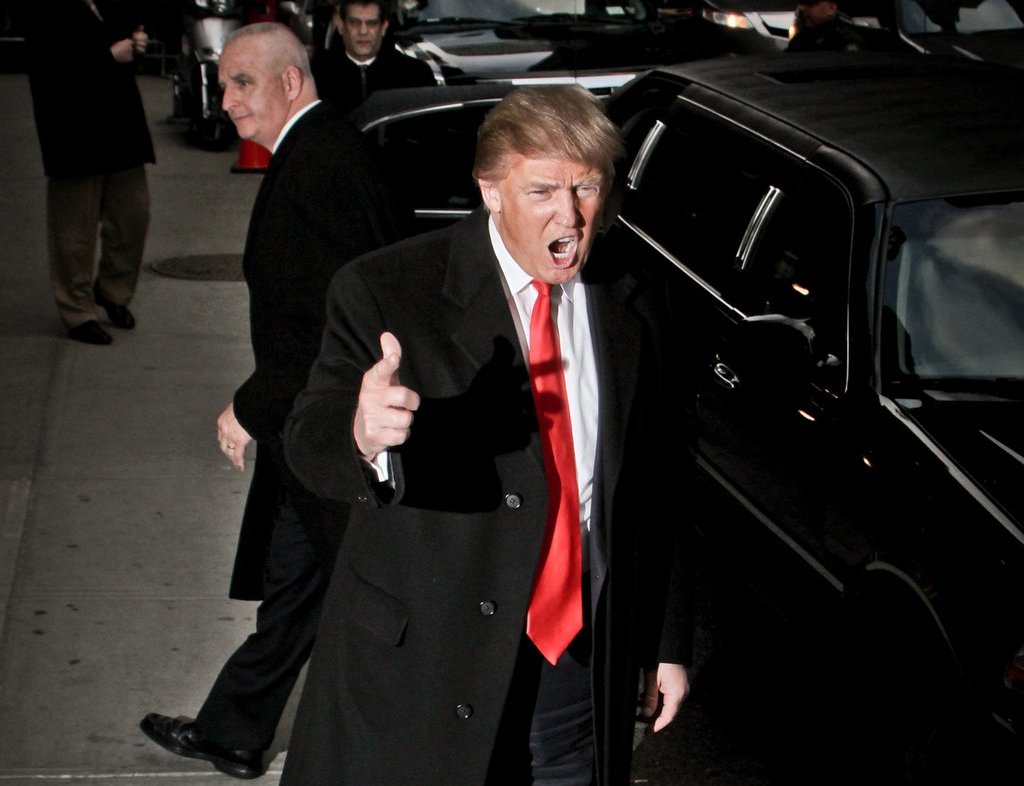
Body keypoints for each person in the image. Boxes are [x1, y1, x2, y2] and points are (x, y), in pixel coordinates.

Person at [279, 85, 694, 785]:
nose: (569, 216)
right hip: (428, 668)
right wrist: (361, 434)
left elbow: (659, 476)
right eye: (542, 191)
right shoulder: (388, 289)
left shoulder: (637, 293)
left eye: (586, 188)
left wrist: (665, 640)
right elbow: (307, 439)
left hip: (577, 666)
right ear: (490, 189)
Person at [139, 22, 408, 779]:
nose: (225, 101)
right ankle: (233, 729)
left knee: (366, 596)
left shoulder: (316, 169)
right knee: (300, 580)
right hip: (322, 431)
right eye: (225, 83)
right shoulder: (325, 150)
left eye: (243, 83)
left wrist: (247, 409)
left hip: (333, 432)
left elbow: (318, 329)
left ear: (291, 82)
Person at [26, 0, 155, 345]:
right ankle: (77, 310)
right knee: (73, 230)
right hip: (72, 128)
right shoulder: (44, 8)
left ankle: (113, 291)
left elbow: (129, 34)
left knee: (132, 216)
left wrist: (136, 44)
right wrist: (109, 57)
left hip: (120, 122)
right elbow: (49, 67)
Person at [312, 0, 435, 116]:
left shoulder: (415, 74)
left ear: (383, 27)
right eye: (354, 23)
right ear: (341, 26)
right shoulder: (317, 74)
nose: (363, 31)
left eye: (371, 23)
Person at [786, 0, 867, 51]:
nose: (802, 8)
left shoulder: (845, 41)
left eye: (810, 3)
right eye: (802, 3)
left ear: (831, 8)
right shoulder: (800, 39)